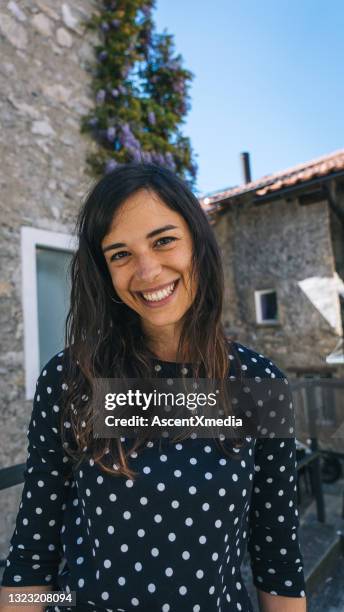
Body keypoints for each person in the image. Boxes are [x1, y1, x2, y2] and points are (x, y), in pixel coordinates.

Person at [0, 163, 307, 612]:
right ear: (104, 271)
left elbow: (277, 556)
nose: (147, 271)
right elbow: (32, 553)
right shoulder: (74, 380)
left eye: (164, 240)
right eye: (120, 254)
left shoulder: (257, 385)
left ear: (198, 244)